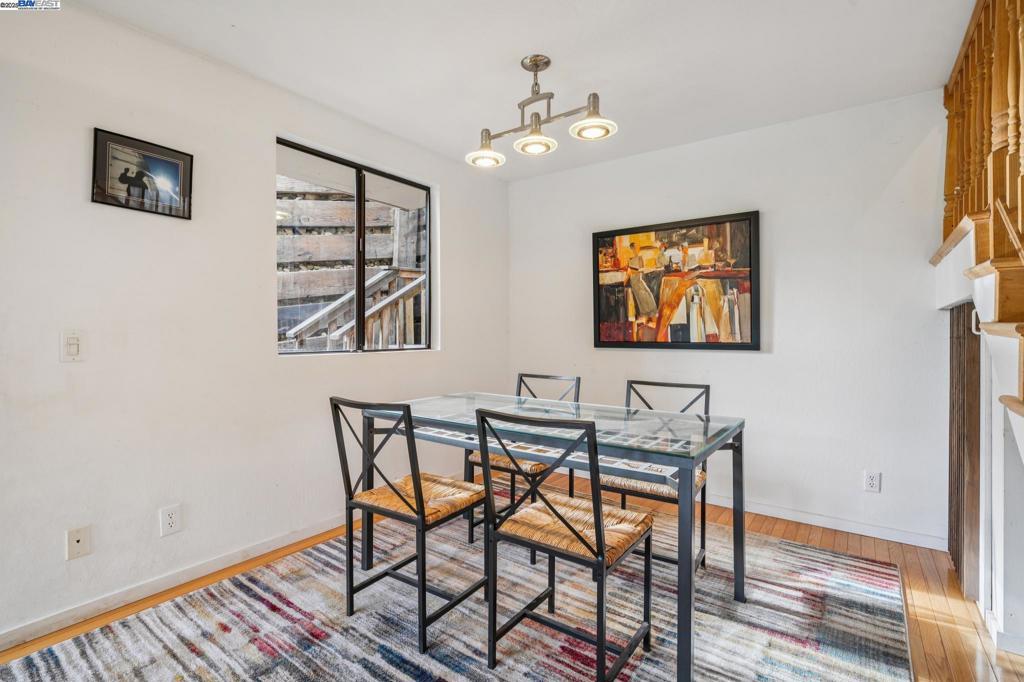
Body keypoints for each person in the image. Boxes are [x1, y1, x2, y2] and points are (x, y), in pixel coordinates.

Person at [626, 243, 658, 327]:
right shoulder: (631, 259)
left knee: (648, 296)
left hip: (639, 280)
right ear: (632, 249)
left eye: (637, 248)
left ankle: (649, 320)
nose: (637, 249)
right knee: (643, 299)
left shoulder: (639, 258)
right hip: (634, 282)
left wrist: (633, 271)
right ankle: (646, 321)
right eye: (635, 248)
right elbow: (630, 272)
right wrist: (627, 277)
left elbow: (641, 270)